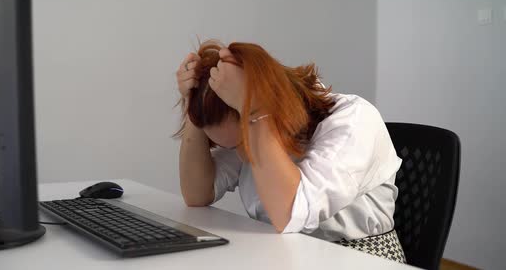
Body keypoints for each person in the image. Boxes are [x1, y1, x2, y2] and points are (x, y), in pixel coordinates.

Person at [174, 40, 406, 263]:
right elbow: (197, 194)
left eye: (241, 142)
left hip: (361, 259)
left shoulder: (355, 121)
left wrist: (254, 111)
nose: (241, 155)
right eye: (230, 147)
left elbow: (293, 213)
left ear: (271, 106)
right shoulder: (245, 126)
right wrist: (193, 100)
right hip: (288, 255)